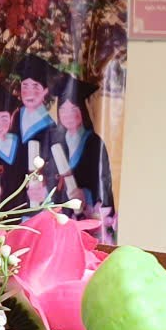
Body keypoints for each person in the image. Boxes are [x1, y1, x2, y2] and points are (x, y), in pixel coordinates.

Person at [46, 75, 115, 242]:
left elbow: (102, 181)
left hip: (85, 216)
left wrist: (84, 194)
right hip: (61, 216)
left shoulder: (94, 143)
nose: (68, 115)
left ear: (82, 111)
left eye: (73, 109)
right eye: (63, 110)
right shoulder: (55, 143)